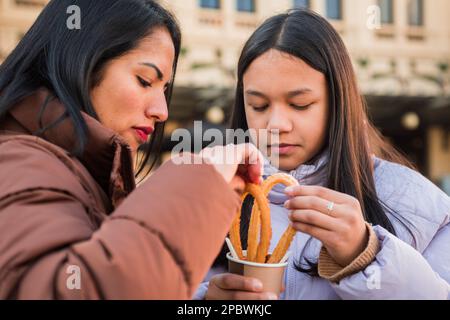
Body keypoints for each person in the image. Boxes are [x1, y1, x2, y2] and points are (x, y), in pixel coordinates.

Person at [0, 0, 263, 299]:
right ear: (81, 62)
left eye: (164, 89)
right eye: (144, 81)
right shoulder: (20, 162)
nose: (162, 111)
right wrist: (197, 181)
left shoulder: (78, 172)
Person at [198, 9, 450, 300]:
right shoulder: (210, 196)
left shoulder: (421, 206)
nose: (276, 124)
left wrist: (366, 255)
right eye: (258, 106)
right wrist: (205, 302)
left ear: (338, 103)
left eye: (300, 104)